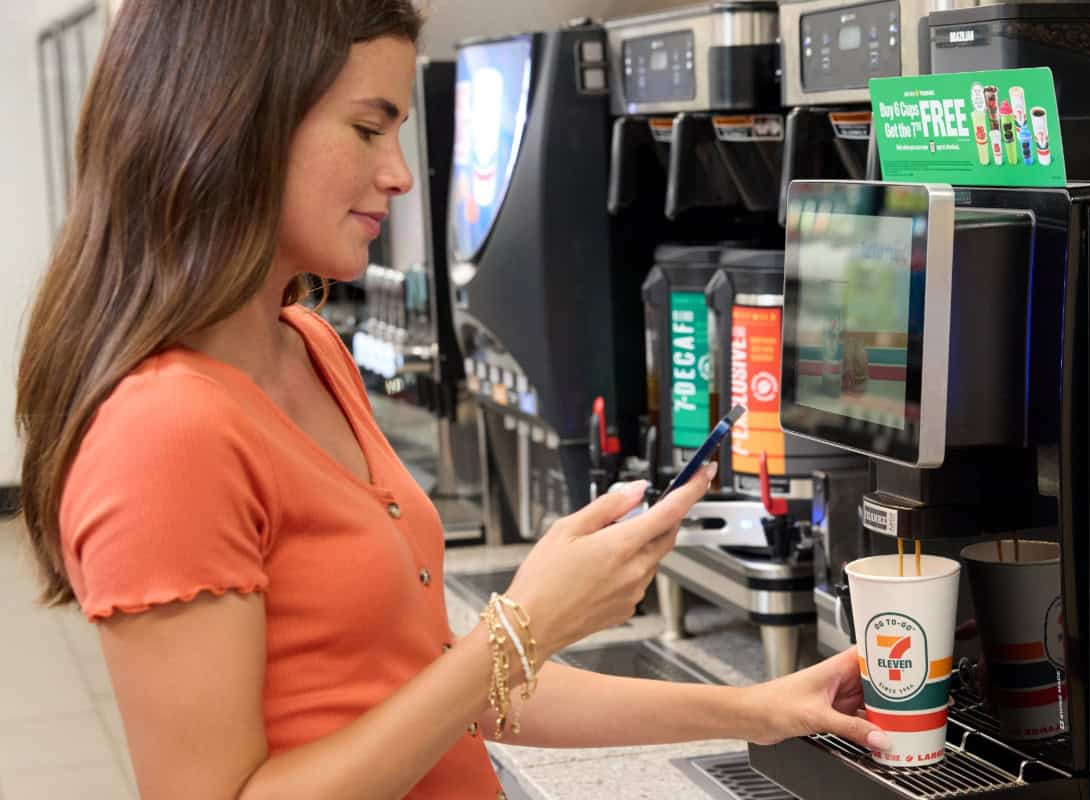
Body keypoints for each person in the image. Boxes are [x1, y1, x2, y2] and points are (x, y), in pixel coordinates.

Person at [12, 2, 884, 798]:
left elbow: (446, 690)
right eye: (366, 128)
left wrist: (760, 708)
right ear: (232, 127)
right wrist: (524, 625)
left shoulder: (311, 347)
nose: (398, 174)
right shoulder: (164, 430)